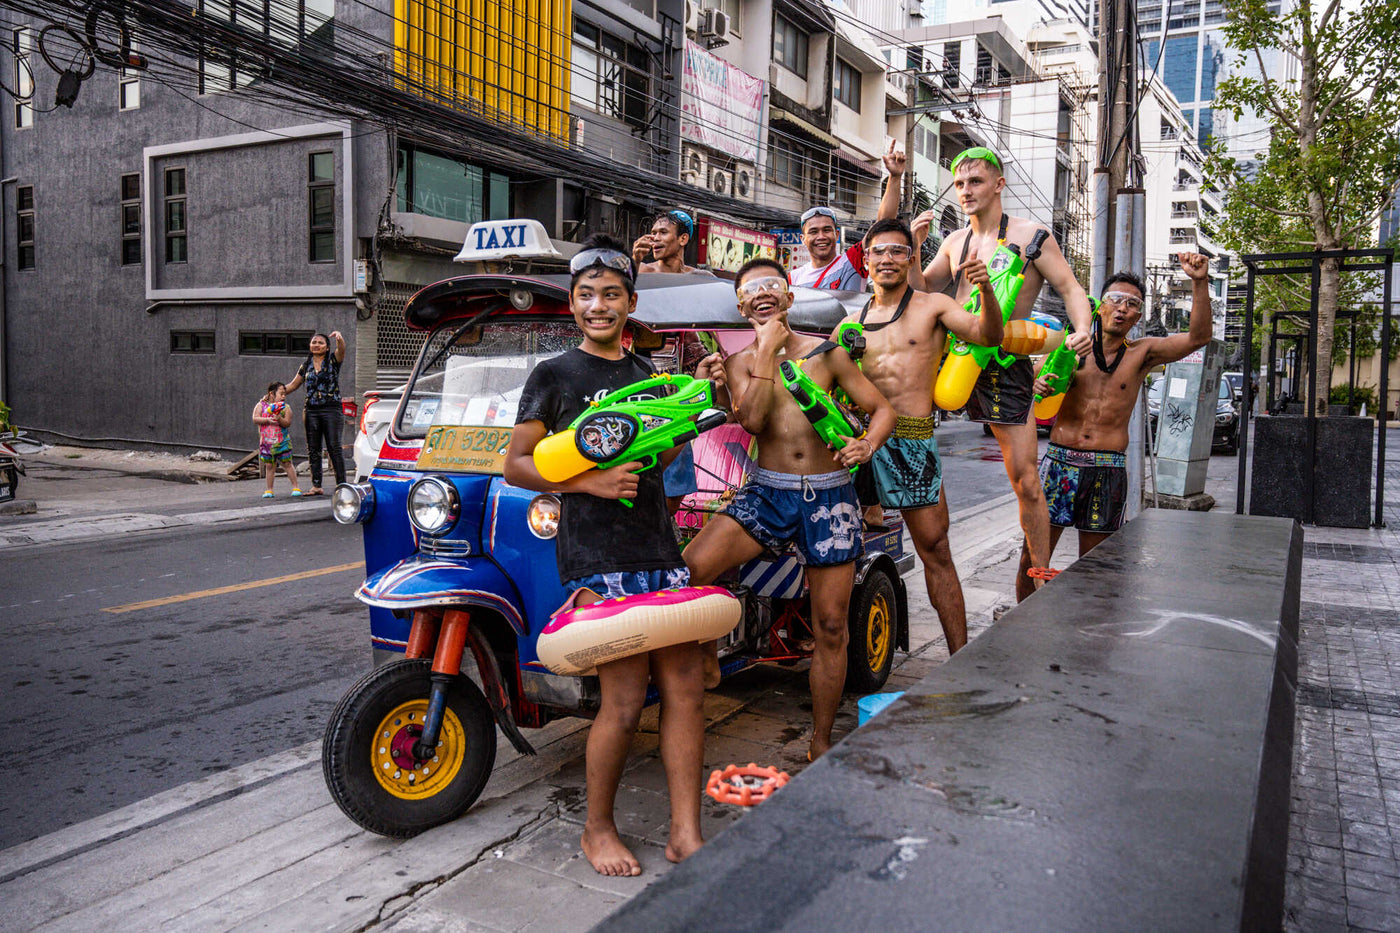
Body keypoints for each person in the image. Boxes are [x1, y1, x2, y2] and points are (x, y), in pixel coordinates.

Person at [502, 233, 725, 878]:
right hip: (597, 554)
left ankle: (686, 831)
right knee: (623, 701)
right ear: (572, 304)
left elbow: (663, 463)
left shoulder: (647, 377)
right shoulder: (553, 375)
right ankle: (597, 829)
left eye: (611, 295)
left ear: (630, 303)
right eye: (586, 295)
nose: (598, 306)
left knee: (684, 691)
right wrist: (584, 482)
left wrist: (692, 407)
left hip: (657, 545)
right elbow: (515, 464)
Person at [682, 256, 896, 760]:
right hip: (766, 490)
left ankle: (820, 742)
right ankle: (710, 656)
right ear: (741, 306)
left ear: (788, 297)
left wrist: (867, 445)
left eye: (771, 285)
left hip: (829, 497)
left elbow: (882, 409)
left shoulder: (827, 356)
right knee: (690, 570)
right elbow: (753, 422)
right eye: (750, 289)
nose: (761, 293)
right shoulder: (738, 365)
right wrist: (767, 353)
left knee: (830, 627)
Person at [884, 145, 1095, 601]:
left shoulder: (1031, 236)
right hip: (953, 358)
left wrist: (1082, 329)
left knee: (1025, 478)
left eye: (975, 182)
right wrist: (916, 249)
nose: (966, 191)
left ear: (999, 185)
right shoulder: (954, 240)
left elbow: (1071, 288)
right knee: (896, 428)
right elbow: (920, 292)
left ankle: (1039, 577)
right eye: (959, 184)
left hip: (1002, 360)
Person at [835, 218, 1005, 655]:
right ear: (866, 259)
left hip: (912, 441)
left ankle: (959, 657)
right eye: (879, 251)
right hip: (857, 444)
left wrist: (985, 291)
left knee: (935, 550)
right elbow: (826, 387)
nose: (888, 259)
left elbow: (989, 335)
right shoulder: (848, 325)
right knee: (834, 550)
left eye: (897, 251)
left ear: (911, 258)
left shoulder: (933, 307)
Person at [1018, 252, 1213, 575]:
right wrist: (1036, 388)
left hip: (1107, 469)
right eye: (1116, 299)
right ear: (1100, 305)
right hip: (1058, 464)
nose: (1123, 308)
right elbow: (1027, 396)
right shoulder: (1066, 347)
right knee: (1033, 559)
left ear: (1138, 317)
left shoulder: (1142, 354)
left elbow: (1199, 337)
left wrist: (1199, 281)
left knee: (1098, 567)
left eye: (1133, 304)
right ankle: (1022, 621)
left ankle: (1089, 625)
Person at [788, 140, 905, 291]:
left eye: (827, 230)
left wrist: (895, 177)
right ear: (803, 239)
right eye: (813, 232)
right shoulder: (793, 278)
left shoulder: (852, 261)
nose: (821, 236)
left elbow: (882, 226)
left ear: (836, 235)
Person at [285, 331, 347, 495]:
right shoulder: (306, 365)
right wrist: (275, 393)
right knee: (313, 448)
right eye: (314, 342)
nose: (316, 345)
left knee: (334, 447)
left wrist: (340, 339)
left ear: (327, 347)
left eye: (320, 343)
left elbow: (341, 351)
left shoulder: (333, 360)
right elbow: (293, 385)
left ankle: (341, 484)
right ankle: (316, 485)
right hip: (311, 410)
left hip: (332, 408)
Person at [252, 382, 301, 498]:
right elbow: (255, 418)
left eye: (285, 394)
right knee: (269, 466)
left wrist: (279, 419)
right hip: (267, 443)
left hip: (282, 442)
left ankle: (295, 486)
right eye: (281, 394)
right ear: (271, 394)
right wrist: (267, 420)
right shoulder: (261, 405)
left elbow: (287, 423)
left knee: (287, 463)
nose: (284, 396)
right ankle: (269, 489)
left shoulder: (286, 408)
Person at [632, 210, 712, 275]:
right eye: (654, 233)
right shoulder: (642, 271)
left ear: (683, 239)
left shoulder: (699, 278)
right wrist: (635, 260)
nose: (655, 238)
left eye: (663, 232)